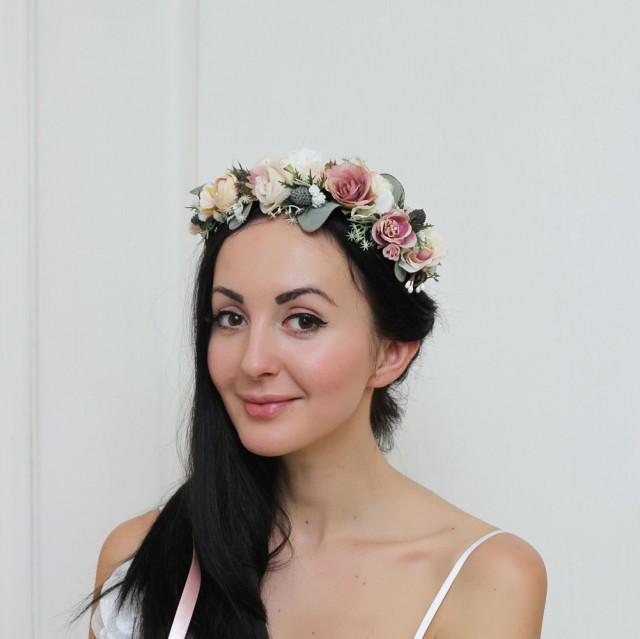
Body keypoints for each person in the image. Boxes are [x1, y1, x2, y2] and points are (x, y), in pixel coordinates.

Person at [76, 149, 547, 638]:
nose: (253, 362)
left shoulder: (485, 580)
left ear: (390, 353)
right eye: (231, 318)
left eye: (303, 321)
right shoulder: (141, 557)